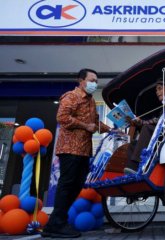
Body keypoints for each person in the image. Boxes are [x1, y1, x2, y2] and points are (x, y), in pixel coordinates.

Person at [42, 69, 110, 238]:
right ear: (81, 80)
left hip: (84, 150)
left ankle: (54, 224)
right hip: (70, 149)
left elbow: (95, 123)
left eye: (96, 80)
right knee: (67, 185)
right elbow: (62, 117)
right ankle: (58, 224)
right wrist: (84, 125)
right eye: (92, 80)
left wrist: (113, 129)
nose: (95, 83)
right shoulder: (71, 96)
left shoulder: (91, 101)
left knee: (77, 184)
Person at [124, 78, 165, 174]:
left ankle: (137, 168)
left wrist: (142, 123)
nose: (157, 92)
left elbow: (162, 120)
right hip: (162, 133)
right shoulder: (164, 105)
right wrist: (140, 122)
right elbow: (157, 120)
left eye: (159, 89)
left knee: (147, 129)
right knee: (133, 143)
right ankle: (131, 169)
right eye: (156, 90)